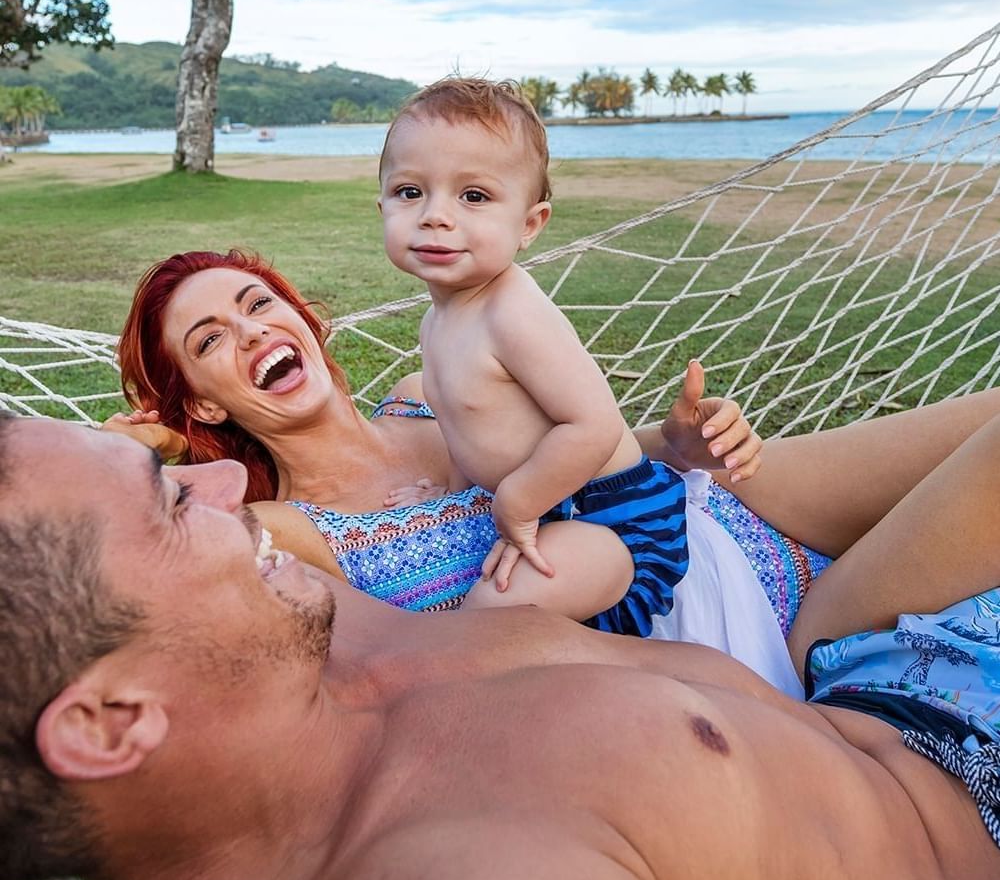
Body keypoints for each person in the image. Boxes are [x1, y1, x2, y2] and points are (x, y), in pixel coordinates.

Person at [4, 411, 1000, 880]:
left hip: (878, 673)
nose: (223, 481)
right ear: (108, 721)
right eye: (173, 499)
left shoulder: (281, 648)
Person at [106, 247, 1000, 698]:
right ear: (206, 402)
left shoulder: (430, 389)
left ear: (301, 320)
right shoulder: (288, 530)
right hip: (768, 634)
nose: (255, 330)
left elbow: (601, 460)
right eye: (212, 341)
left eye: (258, 303)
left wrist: (680, 443)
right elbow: (101, 522)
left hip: (735, 504)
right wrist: (150, 443)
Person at [377, 77, 687, 636]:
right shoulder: (437, 319)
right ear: (382, 205)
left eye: (473, 196)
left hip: (612, 518)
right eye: (409, 192)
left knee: (490, 611)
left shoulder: (513, 314)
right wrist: (450, 487)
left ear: (529, 225)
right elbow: (456, 414)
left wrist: (516, 503)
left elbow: (593, 426)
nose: (434, 215)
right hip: (552, 508)